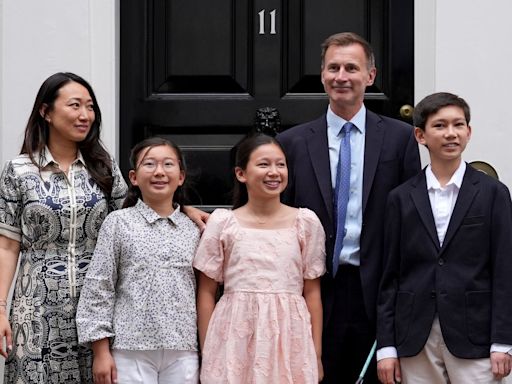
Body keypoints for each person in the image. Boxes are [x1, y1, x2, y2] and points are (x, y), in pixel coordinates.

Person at [276, 32, 421, 383]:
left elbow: (411, 217)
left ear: (370, 76)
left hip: (375, 287)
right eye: (333, 67)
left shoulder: (400, 138)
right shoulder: (292, 143)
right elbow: (276, 215)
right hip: (312, 287)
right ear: (323, 75)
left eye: (351, 68)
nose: (341, 76)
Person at [0, 72, 128, 383]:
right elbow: (7, 245)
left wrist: (187, 211)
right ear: (46, 112)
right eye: (75, 105)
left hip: (96, 309)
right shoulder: (19, 170)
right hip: (35, 311)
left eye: (90, 107)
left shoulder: (105, 167)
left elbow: (133, 221)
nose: (85, 115)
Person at [376, 92, 512, 384]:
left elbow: (505, 271)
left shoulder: (493, 194)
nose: (451, 133)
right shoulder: (400, 198)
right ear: (420, 135)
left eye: (458, 125)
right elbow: (390, 276)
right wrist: (386, 346)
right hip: (415, 335)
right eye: (439, 126)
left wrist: (503, 341)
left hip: (475, 333)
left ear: (469, 131)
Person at [194, 133, 326, 383]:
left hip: (289, 337)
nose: (274, 172)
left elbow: (312, 293)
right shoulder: (223, 223)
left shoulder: (305, 223)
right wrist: (208, 350)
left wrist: (315, 354)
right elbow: (206, 292)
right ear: (241, 173)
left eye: (280, 164)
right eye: (264, 164)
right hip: (234, 336)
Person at [76, 137, 201, 384]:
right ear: (133, 177)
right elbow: (99, 287)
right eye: (149, 164)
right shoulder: (119, 223)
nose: (159, 172)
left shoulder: (194, 228)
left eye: (168, 164)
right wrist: (100, 351)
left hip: (183, 349)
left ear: (181, 176)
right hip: (130, 348)